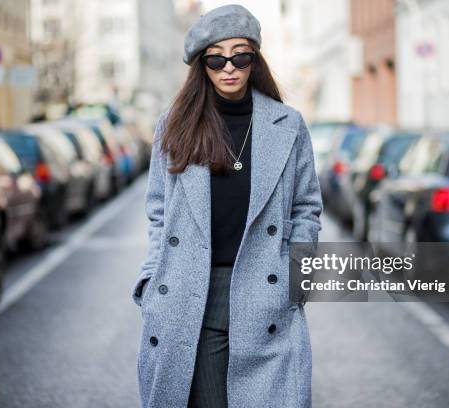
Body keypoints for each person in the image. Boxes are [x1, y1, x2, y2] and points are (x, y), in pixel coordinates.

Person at [131, 4, 323, 407]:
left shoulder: (287, 124)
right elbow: (158, 211)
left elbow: (306, 206)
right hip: (191, 294)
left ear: (255, 59)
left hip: (265, 290)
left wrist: (297, 275)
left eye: (241, 55)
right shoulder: (176, 126)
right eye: (217, 58)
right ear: (202, 65)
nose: (229, 67)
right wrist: (152, 278)